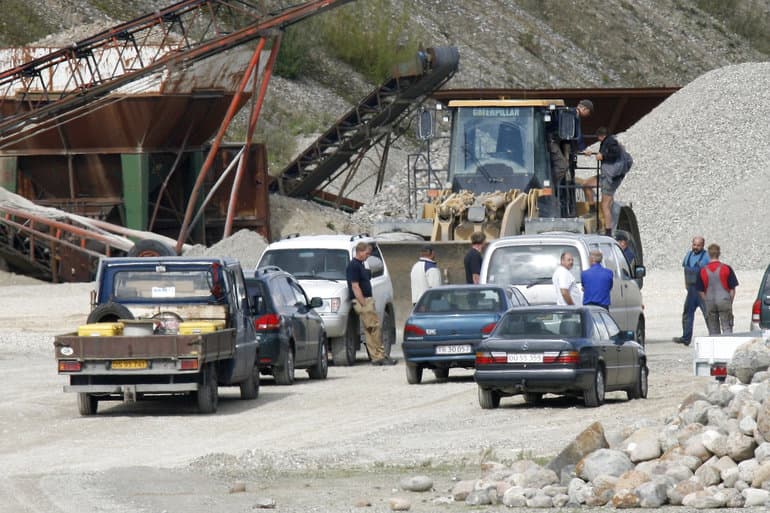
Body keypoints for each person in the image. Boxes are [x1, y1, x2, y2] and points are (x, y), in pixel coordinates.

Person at [346, 241, 396, 366]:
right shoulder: (353, 266)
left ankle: (376, 356)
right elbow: (355, 286)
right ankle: (379, 355)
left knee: (370, 329)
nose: (368, 255)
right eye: (366, 253)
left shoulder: (361, 264)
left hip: (366, 300)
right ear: (360, 252)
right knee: (375, 328)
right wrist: (363, 303)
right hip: (363, 301)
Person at [580, 127, 632, 235]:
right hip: (605, 175)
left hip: (610, 179)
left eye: (598, 137)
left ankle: (608, 231)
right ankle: (592, 209)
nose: (598, 139)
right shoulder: (607, 142)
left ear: (601, 136)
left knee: (605, 205)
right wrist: (592, 153)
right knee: (586, 184)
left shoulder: (611, 143)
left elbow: (613, 154)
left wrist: (603, 156)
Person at [673, 236, 709, 345]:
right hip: (691, 290)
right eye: (694, 245)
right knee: (687, 314)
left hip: (702, 291)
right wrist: (686, 285)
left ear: (703, 246)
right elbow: (685, 270)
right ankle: (686, 338)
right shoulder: (688, 255)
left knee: (708, 314)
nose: (696, 247)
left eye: (698, 245)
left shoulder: (706, 257)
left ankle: (715, 336)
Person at [696, 243, 739, 335]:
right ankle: (727, 346)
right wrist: (730, 301)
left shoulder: (702, 270)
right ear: (719, 253)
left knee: (713, 329)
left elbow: (700, 290)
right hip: (724, 300)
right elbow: (732, 289)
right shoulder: (726, 268)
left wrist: (706, 299)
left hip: (710, 301)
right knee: (727, 327)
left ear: (708, 254)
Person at [549, 99, 594, 183]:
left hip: (553, 140)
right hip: (552, 141)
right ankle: (551, 185)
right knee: (562, 166)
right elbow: (577, 133)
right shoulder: (570, 114)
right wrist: (583, 149)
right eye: (589, 112)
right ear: (585, 109)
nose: (588, 115)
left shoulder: (570, 113)